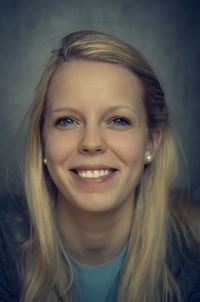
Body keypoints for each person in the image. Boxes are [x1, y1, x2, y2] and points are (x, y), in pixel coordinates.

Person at [0, 30, 200, 302]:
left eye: (118, 120)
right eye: (67, 121)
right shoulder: (5, 245)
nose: (91, 142)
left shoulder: (192, 255)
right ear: (43, 141)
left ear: (151, 143)